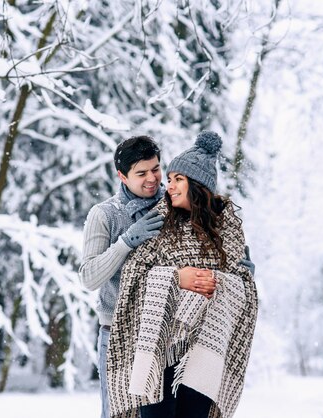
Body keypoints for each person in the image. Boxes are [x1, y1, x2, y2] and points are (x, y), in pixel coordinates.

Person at [80, 135, 242, 418]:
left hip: (165, 338)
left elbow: (206, 238)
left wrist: (235, 265)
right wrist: (126, 242)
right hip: (117, 330)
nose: (152, 179)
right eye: (141, 173)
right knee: (119, 413)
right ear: (122, 176)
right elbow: (89, 277)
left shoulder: (173, 207)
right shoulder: (105, 214)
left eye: (156, 169)